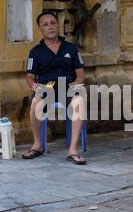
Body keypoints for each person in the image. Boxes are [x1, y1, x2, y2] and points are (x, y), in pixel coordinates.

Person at [21, 10, 87, 164]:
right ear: (40, 29)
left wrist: (75, 84)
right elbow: (29, 76)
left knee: (79, 102)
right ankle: (37, 145)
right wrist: (33, 85)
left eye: (53, 23)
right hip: (47, 89)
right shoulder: (35, 52)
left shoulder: (70, 49)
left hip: (68, 87)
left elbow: (81, 75)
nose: (50, 27)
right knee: (36, 102)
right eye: (45, 24)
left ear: (58, 26)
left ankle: (73, 150)